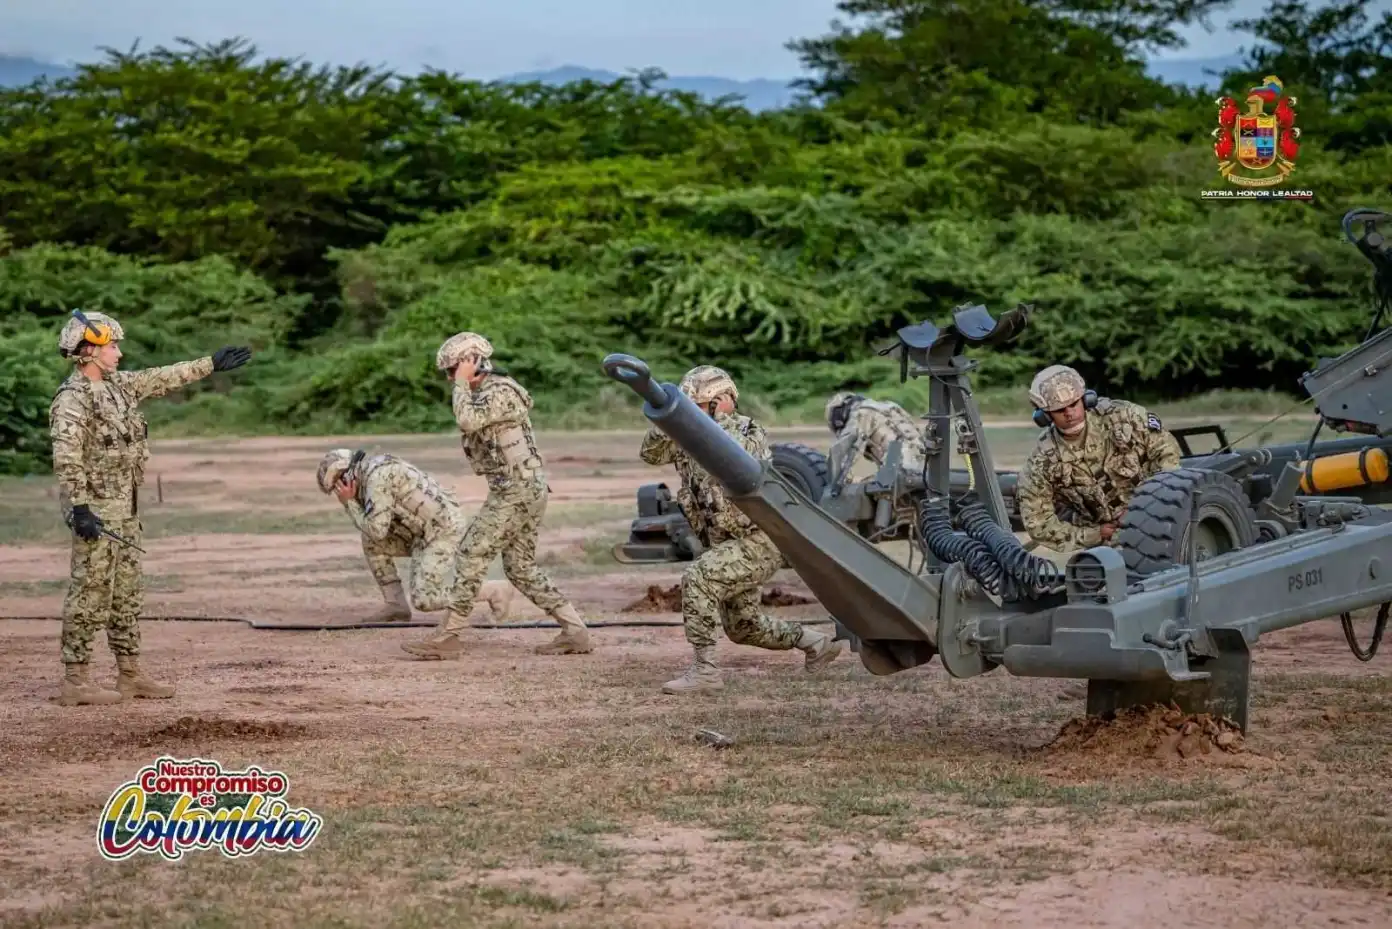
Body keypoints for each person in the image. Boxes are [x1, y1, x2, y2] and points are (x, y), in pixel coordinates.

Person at [48, 309, 251, 706]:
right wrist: (80, 507)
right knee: (89, 594)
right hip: (98, 513)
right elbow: (66, 457)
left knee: (126, 595)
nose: (119, 353)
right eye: (113, 345)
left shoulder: (119, 386)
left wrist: (210, 364)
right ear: (89, 350)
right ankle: (76, 680)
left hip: (126, 509)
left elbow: (162, 377)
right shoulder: (72, 400)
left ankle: (130, 675)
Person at [641, 364, 842, 694]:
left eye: (698, 405)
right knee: (742, 626)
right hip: (725, 542)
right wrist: (669, 418)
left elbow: (739, 457)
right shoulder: (686, 436)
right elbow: (650, 453)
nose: (693, 412)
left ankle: (705, 672)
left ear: (720, 401)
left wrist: (702, 421)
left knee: (698, 579)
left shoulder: (748, 431)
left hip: (760, 538)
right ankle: (816, 643)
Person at [400, 331, 592, 659]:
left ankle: (448, 637)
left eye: (454, 370)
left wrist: (462, 381)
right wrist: (464, 382)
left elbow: (467, 420)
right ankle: (575, 631)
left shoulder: (500, 391)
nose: (450, 378)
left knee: (471, 553)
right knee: (520, 567)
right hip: (519, 489)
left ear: (474, 362)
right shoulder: (485, 392)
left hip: (517, 490)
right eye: (449, 373)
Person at [315, 448, 515, 626]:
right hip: (420, 531)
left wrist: (350, 503)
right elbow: (373, 532)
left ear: (347, 476)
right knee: (371, 543)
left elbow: (377, 529)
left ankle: (493, 591)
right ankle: (396, 605)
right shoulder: (370, 473)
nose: (338, 492)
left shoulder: (377, 480)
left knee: (425, 599)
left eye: (337, 485)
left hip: (442, 531)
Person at [1015, 365, 1182, 554]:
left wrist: (1150, 503)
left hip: (1158, 515)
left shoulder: (1123, 417)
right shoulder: (1042, 460)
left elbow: (1165, 451)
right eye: (1060, 410)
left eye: (1074, 404)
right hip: (1108, 540)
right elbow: (1038, 523)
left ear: (1086, 400)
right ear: (1045, 416)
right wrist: (1094, 534)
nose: (1069, 414)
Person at [824, 392, 928, 485]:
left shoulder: (861, 413)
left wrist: (834, 481)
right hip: (926, 467)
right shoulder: (890, 406)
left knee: (859, 488)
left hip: (901, 470)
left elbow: (841, 454)